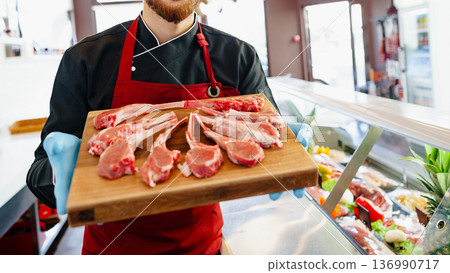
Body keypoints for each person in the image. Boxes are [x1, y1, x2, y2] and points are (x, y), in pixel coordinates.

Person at [27, 0, 309, 255]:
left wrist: (285, 148)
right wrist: (61, 172)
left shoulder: (238, 57)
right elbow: (39, 170)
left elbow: (273, 135)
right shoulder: (86, 59)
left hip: (203, 249)